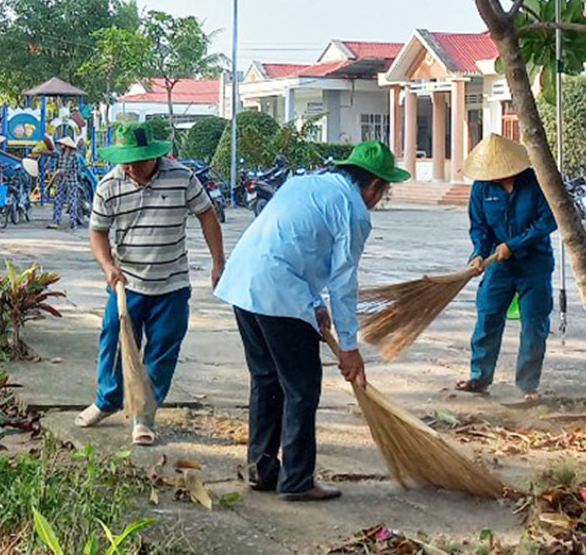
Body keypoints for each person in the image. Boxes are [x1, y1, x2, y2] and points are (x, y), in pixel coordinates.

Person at [214, 140, 407, 501]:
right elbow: (344, 282)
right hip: (278, 293)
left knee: (266, 378)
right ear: (375, 186)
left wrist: (315, 303)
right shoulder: (354, 211)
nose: (378, 200)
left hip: (243, 282)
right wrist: (348, 347)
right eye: (383, 192)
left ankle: (261, 468)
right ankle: (297, 480)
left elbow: (295, 243)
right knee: (301, 387)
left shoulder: (304, 182)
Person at [75, 122, 226, 445]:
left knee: (162, 351)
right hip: (126, 283)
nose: (130, 167)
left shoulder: (182, 177)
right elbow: (98, 232)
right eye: (125, 160)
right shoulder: (109, 184)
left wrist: (218, 262)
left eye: (137, 161)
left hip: (171, 284)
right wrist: (107, 266)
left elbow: (207, 215)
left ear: (153, 156)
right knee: (114, 343)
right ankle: (107, 401)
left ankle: (144, 416)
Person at [456, 134, 557, 402]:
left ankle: (528, 384)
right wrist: (479, 253)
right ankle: (479, 376)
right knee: (488, 316)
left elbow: (547, 221)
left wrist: (513, 244)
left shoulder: (535, 183)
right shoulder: (482, 189)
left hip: (534, 263)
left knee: (534, 323)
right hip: (498, 265)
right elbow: (479, 226)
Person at [49, 136, 84, 230]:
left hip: (71, 181)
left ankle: (73, 222)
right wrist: (55, 172)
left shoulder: (74, 156)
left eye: (63, 144)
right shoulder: (60, 154)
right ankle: (56, 220)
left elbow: (76, 169)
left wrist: (64, 171)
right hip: (60, 181)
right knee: (58, 200)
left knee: (72, 201)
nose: (61, 146)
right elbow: (57, 165)